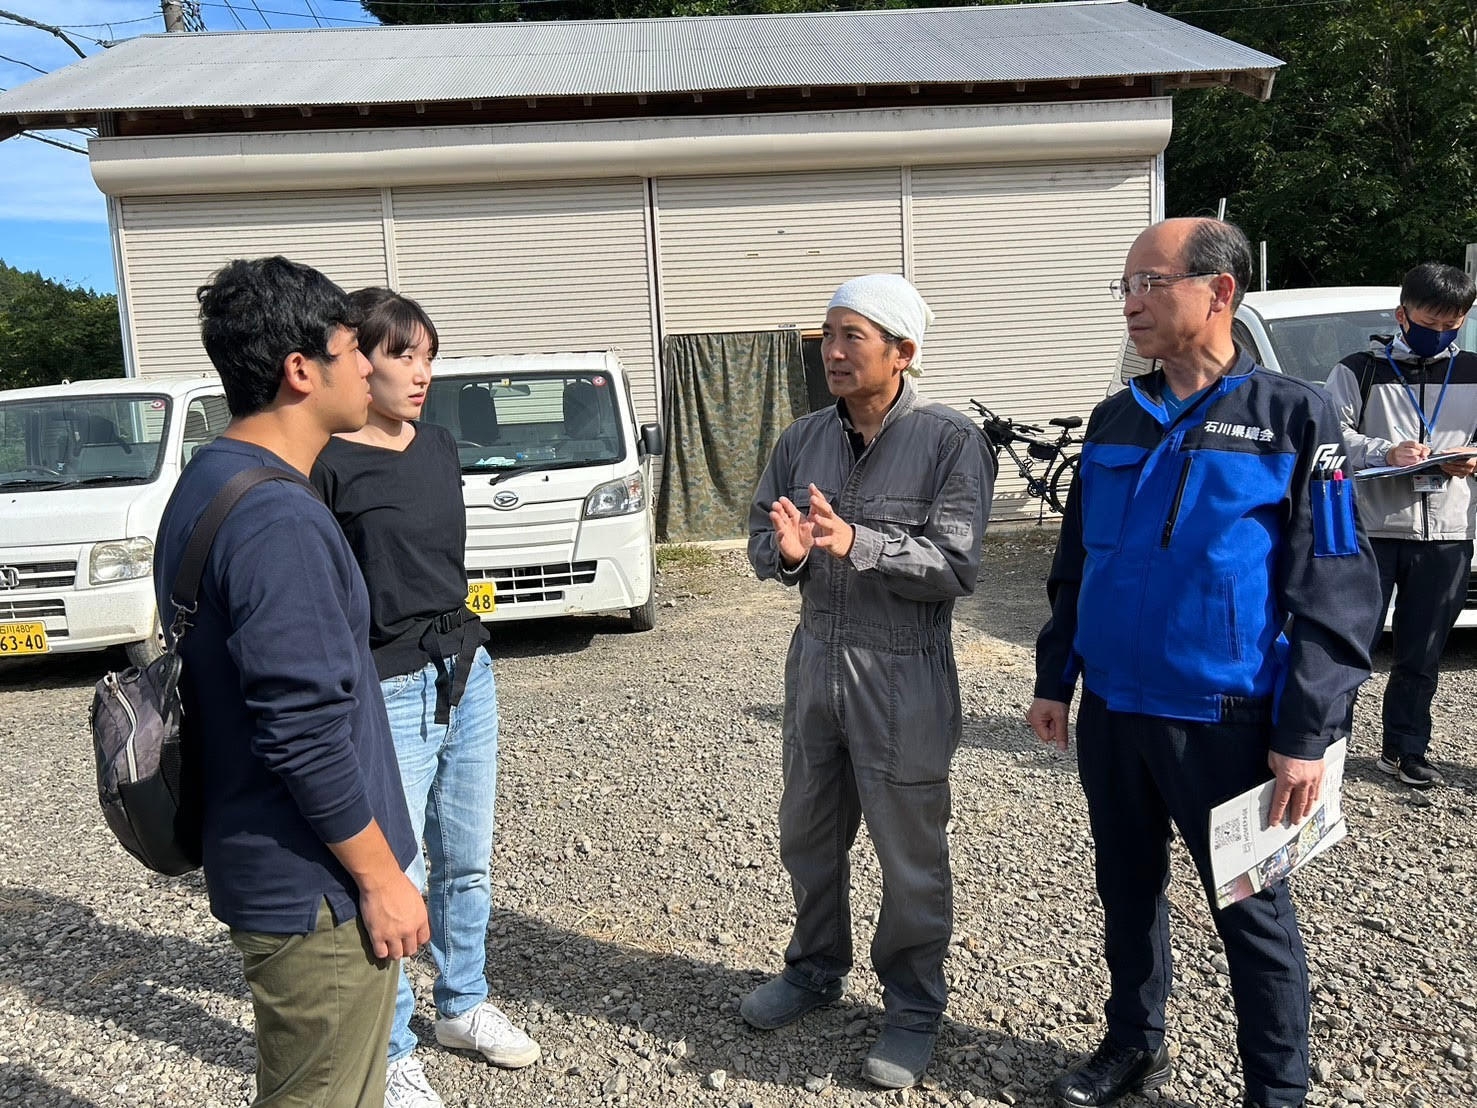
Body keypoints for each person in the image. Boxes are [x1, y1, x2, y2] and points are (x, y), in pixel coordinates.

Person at [1028, 219, 1381, 1108]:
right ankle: (1132, 1044)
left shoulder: (1293, 417)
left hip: (1228, 723)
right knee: (1126, 891)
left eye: (1149, 282)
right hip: (1115, 712)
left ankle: (1276, 1089)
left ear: (1219, 291)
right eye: (1124, 286)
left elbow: (1335, 588)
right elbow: (1078, 565)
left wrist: (1306, 731)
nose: (1130, 303)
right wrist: (1052, 677)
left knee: (1251, 918)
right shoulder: (1114, 420)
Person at [155, 257, 428, 1107]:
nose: (370, 368)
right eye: (353, 350)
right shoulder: (279, 518)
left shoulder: (210, 478)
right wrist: (384, 879)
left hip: (265, 857)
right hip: (316, 888)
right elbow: (302, 730)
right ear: (300, 371)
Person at [744, 274, 992, 1091]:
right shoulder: (801, 438)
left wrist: (860, 543)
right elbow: (761, 535)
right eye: (828, 336)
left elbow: (955, 567)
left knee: (908, 853)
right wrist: (785, 554)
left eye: (853, 336)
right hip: (816, 660)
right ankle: (814, 970)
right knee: (808, 835)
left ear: (902, 351)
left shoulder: (951, 441)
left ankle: (914, 1006)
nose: (835, 353)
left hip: (903, 670)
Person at [311, 289, 541, 1108]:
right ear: (354, 360)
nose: (421, 373)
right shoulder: (326, 463)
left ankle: (463, 1003)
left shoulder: (438, 444)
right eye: (403, 355)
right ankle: (391, 1043)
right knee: (395, 874)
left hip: (466, 668)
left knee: (466, 859)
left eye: (428, 355)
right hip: (385, 685)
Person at [1323, 263, 1477, 788]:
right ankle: (1326, 746)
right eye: (1430, 319)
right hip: (1371, 528)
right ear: (1402, 315)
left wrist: (1470, 457)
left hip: (1449, 533)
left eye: (1453, 323)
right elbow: (1328, 436)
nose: (1441, 331)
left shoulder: (1475, 371)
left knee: (1423, 650)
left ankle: (1405, 749)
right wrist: (1385, 450)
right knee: (1347, 645)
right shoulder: (1358, 369)